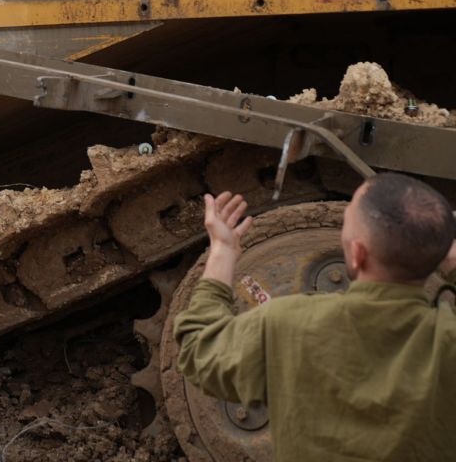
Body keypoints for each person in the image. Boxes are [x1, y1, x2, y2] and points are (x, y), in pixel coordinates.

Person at [174, 175, 456, 461]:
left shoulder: (288, 324)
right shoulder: (448, 339)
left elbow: (199, 351)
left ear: (357, 254)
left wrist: (222, 250)